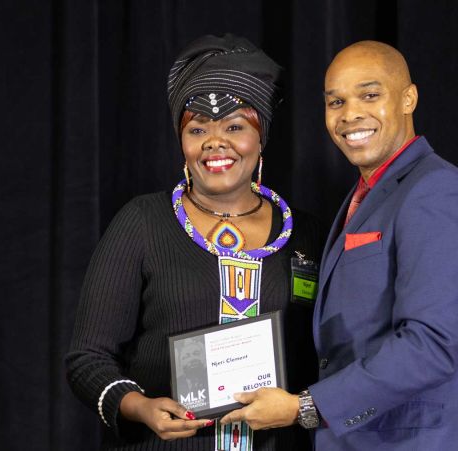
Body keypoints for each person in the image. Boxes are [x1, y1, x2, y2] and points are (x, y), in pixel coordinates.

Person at [220, 40, 458, 451]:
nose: (350, 114)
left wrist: (305, 407)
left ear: (408, 99)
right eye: (336, 102)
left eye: (370, 95)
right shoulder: (372, 194)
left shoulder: (436, 192)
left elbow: (431, 345)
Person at [66, 33, 321, 450]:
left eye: (235, 127)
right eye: (197, 128)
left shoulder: (307, 234)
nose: (214, 142)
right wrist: (138, 406)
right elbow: (87, 359)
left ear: (261, 139)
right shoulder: (143, 222)